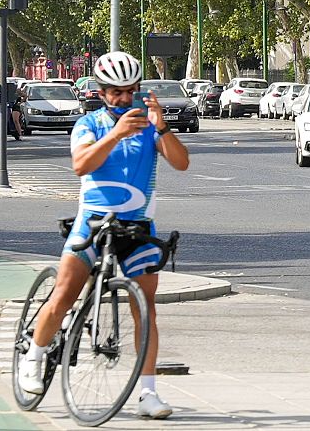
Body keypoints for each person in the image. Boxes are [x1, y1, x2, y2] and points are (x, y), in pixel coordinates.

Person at [16, 51, 190, 419]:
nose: (124, 98)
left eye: (130, 90)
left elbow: (181, 162)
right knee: (64, 294)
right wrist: (115, 133)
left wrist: (161, 128)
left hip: (137, 227)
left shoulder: (148, 127)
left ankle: (148, 394)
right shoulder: (89, 124)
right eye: (115, 92)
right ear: (101, 91)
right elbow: (82, 165)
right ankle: (34, 355)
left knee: (146, 310)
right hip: (93, 224)